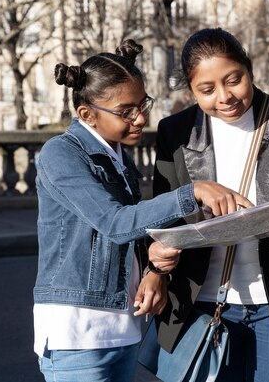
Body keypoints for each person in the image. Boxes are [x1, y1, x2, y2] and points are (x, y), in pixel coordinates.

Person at [33, 39, 252, 382]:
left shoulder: (120, 156)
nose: (140, 118)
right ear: (87, 114)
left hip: (123, 327)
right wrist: (193, 191)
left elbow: (132, 237)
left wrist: (154, 267)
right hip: (77, 333)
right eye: (125, 111)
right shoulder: (60, 154)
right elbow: (114, 223)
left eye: (142, 104)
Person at [143, 28, 269, 382]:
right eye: (207, 90)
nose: (225, 96)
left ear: (249, 68)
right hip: (200, 304)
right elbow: (162, 216)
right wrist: (156, 265)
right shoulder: (176, 131)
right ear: (191, 90)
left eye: (234, 80)